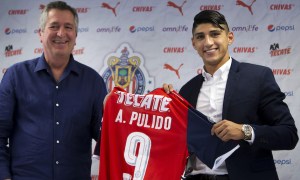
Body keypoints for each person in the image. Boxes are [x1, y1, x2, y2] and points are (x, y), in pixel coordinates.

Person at [163, 10, 298, 180]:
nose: (208, 42)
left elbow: (289, 135)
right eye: (200, 37)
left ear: (230, 37)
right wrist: (163, 102)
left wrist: (245, 131)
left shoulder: (258, 77)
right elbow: (176, 142)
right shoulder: (187, 90)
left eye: (215, 34)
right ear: (193, 43)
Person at [0, 1, 107, 179]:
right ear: (40, 34)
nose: (61, 33)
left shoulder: (94, 81)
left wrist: (128, 112)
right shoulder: (15, 76)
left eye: (68, 27)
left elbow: (107, 138)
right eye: (54, 26)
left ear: (75, 35)